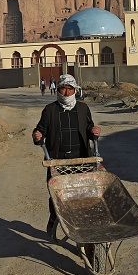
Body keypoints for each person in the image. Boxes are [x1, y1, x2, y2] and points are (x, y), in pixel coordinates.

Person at [32, 74, 101, 238]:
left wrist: (94, 131)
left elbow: (90, 128)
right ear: (58, 89)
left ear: (75, 90)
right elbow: (40, 130)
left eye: (70, 89)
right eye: (63, 88)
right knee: (57, 195)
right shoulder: (50, 110)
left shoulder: (83, 108)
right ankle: (54, 218)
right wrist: (37, 135)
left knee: (81, 196)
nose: (67, 92)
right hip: (57, 160)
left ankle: (81, 232)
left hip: (82, 159)